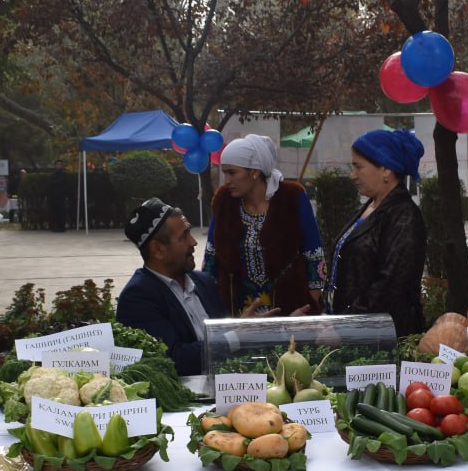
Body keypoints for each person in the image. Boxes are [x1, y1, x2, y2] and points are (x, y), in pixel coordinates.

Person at [203, 134, 324, 316]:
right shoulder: (224, 203)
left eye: (232, 172)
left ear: (255, 172)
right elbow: (211, 260)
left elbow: (314, 257)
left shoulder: (292, 197)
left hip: (291, 313)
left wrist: (310, 307)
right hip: (238, 317)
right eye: (224, 173)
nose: (227, 180)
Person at [323, 128, 426, 337]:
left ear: (386, 169)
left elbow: (390, 284)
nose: (353, 175)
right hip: (354, 330)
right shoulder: (371, 206)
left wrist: (346, 328)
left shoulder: (404, 215)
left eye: (358, 167)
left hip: (383, 338)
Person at [116, 198, 225, 376]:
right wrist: (234, 337)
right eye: (183, 237)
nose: (193, 242)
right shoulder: (138, 298)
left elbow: (226, 333)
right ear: (158, 249)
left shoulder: (205, 282)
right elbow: (173, 360)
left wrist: (243, 328)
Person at [47, 159, 68, 232]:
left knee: (61, 212)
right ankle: (54, 226)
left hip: (61, 196)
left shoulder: (64, 174)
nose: (59, 166)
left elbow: (65, 184)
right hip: (53, 196)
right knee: (54, 211)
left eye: (60, 164)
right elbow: (50, 184)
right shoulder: (52, 175)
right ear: (55, 166)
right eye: (57, 164)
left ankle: (61, 226)